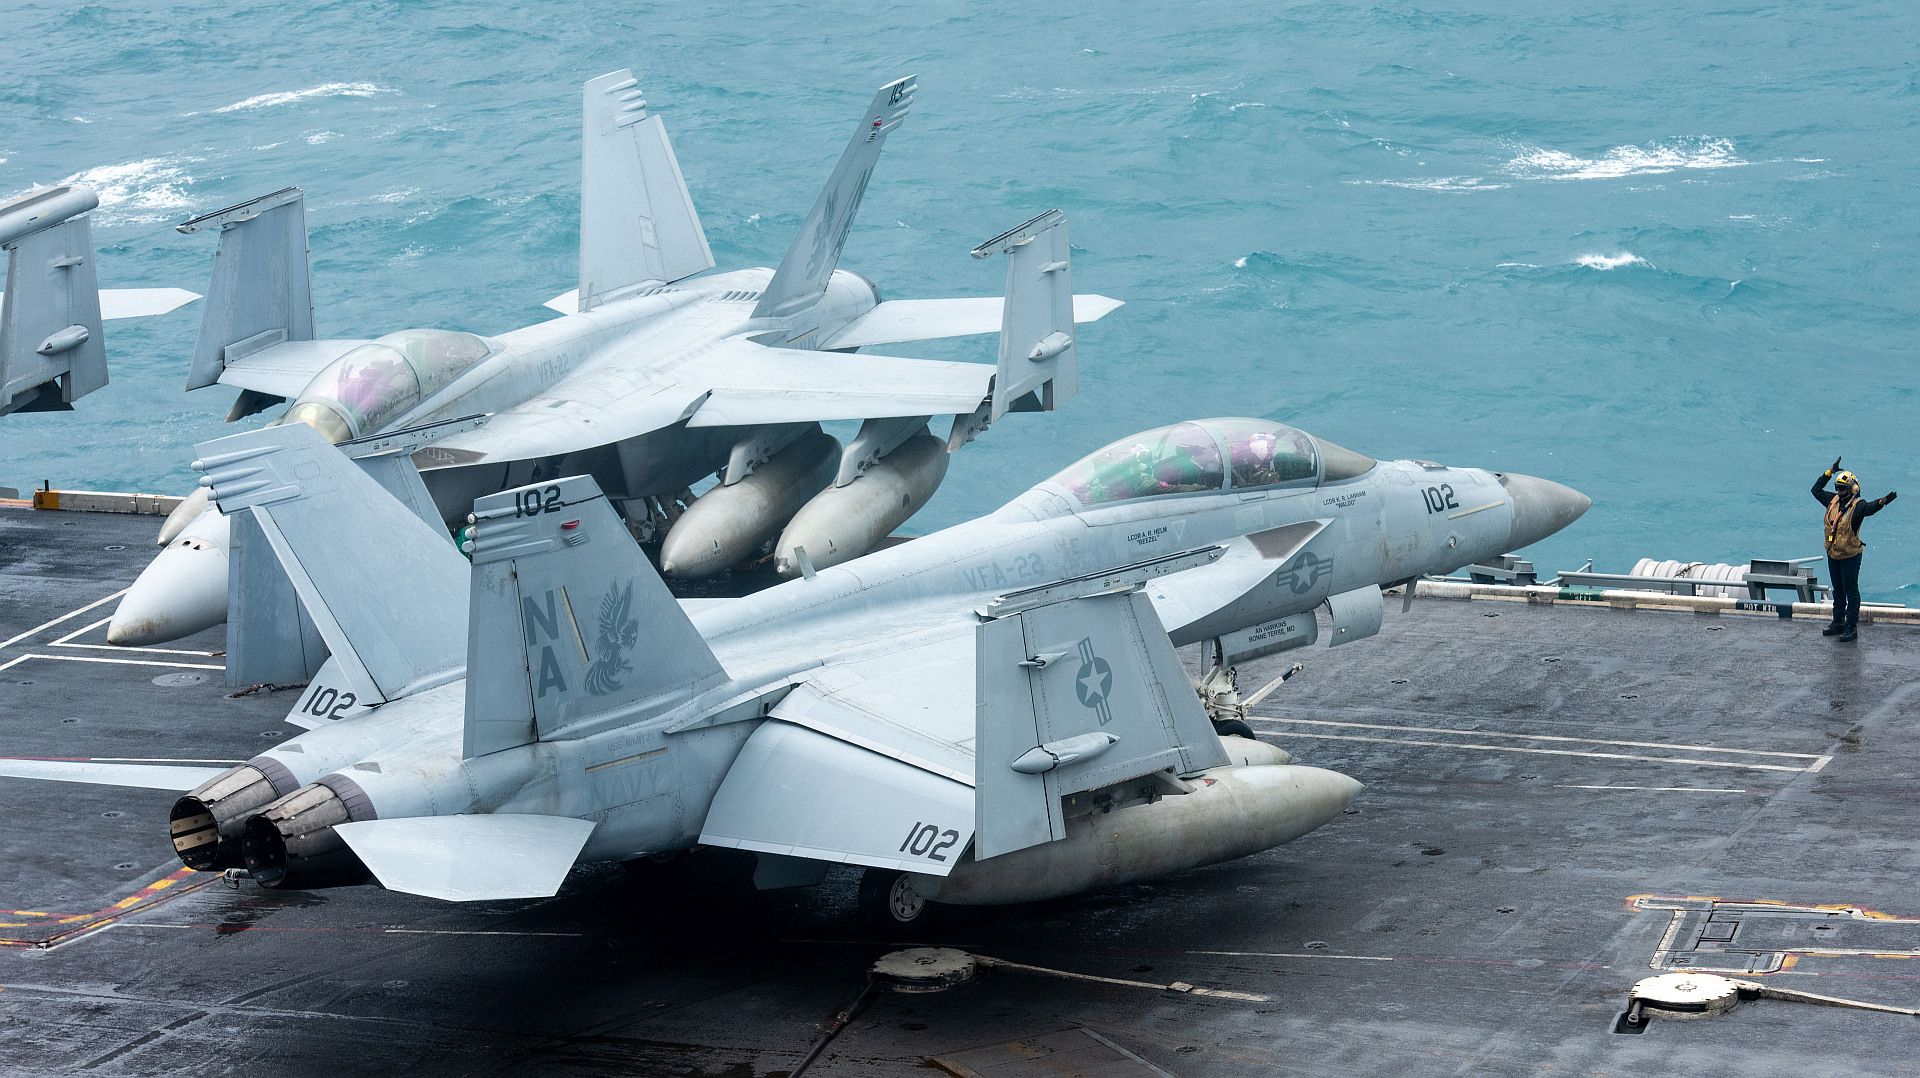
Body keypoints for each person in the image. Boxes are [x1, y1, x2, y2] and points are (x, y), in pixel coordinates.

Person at [1812, 457, 1898, 642]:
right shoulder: (1832, 501)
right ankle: (1838, 623)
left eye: (1842, 488)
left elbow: (1870, 508)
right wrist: (1829, 471)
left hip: (1850, 555)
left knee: (1851, 590)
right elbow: (1815, 490)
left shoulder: (1857, 507)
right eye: (1837, 487)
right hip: (1833, 554)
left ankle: (1851, 627)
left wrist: (1884, 501)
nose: (1839, 491)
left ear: (1853, 488)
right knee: (1838, 590)